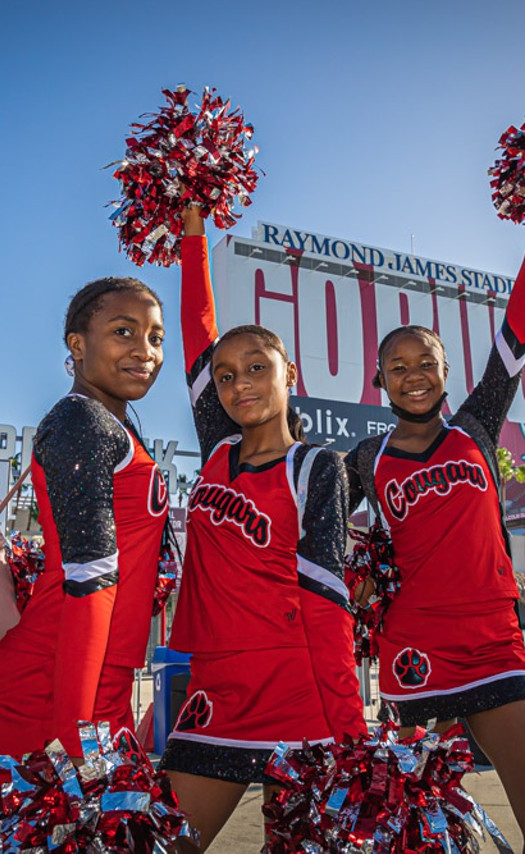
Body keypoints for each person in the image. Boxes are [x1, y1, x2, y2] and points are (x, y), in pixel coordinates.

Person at [345, 185, 525, 852]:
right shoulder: (364, 459)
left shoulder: (476, 427)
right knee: (423, 830)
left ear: (446, 372)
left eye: (424, 364)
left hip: (496, 642)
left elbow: (519, 329)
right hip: (415, 650)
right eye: (397, 367)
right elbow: (308, 523)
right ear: (379, 381)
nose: (412, 375)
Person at [162, 205, 365, 849]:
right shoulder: (217, 451)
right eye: (225, 376)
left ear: (289, 375)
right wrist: (193, 226)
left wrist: (348, 729)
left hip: (301, 693)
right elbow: (199, 333)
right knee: (166, 842)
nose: (238, 383)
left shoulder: (316, 468)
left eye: (256, 368)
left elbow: (328, 600)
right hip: (218, 688)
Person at [0, 277, 170, 831]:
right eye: (124, 332)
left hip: (93, 682)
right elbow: (88, 580)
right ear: (77, 344)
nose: (145, 351)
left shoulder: (115, 425)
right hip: (52, 692)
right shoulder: (81, 421)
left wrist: (193, 229)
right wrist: (83, 738)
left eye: (155, 337)